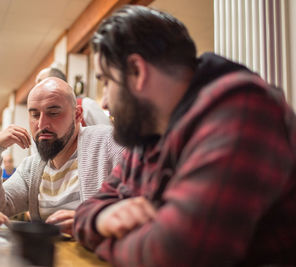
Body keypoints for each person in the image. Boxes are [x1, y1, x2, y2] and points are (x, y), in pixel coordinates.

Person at [73, 5, 296, 267]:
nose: (104, 101)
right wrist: (103, 218)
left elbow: (176, 255)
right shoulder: (150, 131)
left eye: (106, 82)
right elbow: (86, 211)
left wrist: (101, 238)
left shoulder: (242, 110)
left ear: (137, 71)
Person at [0, 78, 123, 235]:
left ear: (77, 115)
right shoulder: (32, 167)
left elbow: (142, 210)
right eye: (34, 114)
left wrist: (91, 222)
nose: (41, 124)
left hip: (96, 256)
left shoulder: (110, 143)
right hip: (48, 255)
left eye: (53, 113)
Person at [36, 67, 111, 126]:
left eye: (40, 82)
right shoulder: (41, 117)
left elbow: (110, 135)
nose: (36, 88)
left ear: (57, 83)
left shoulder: (86, 105)